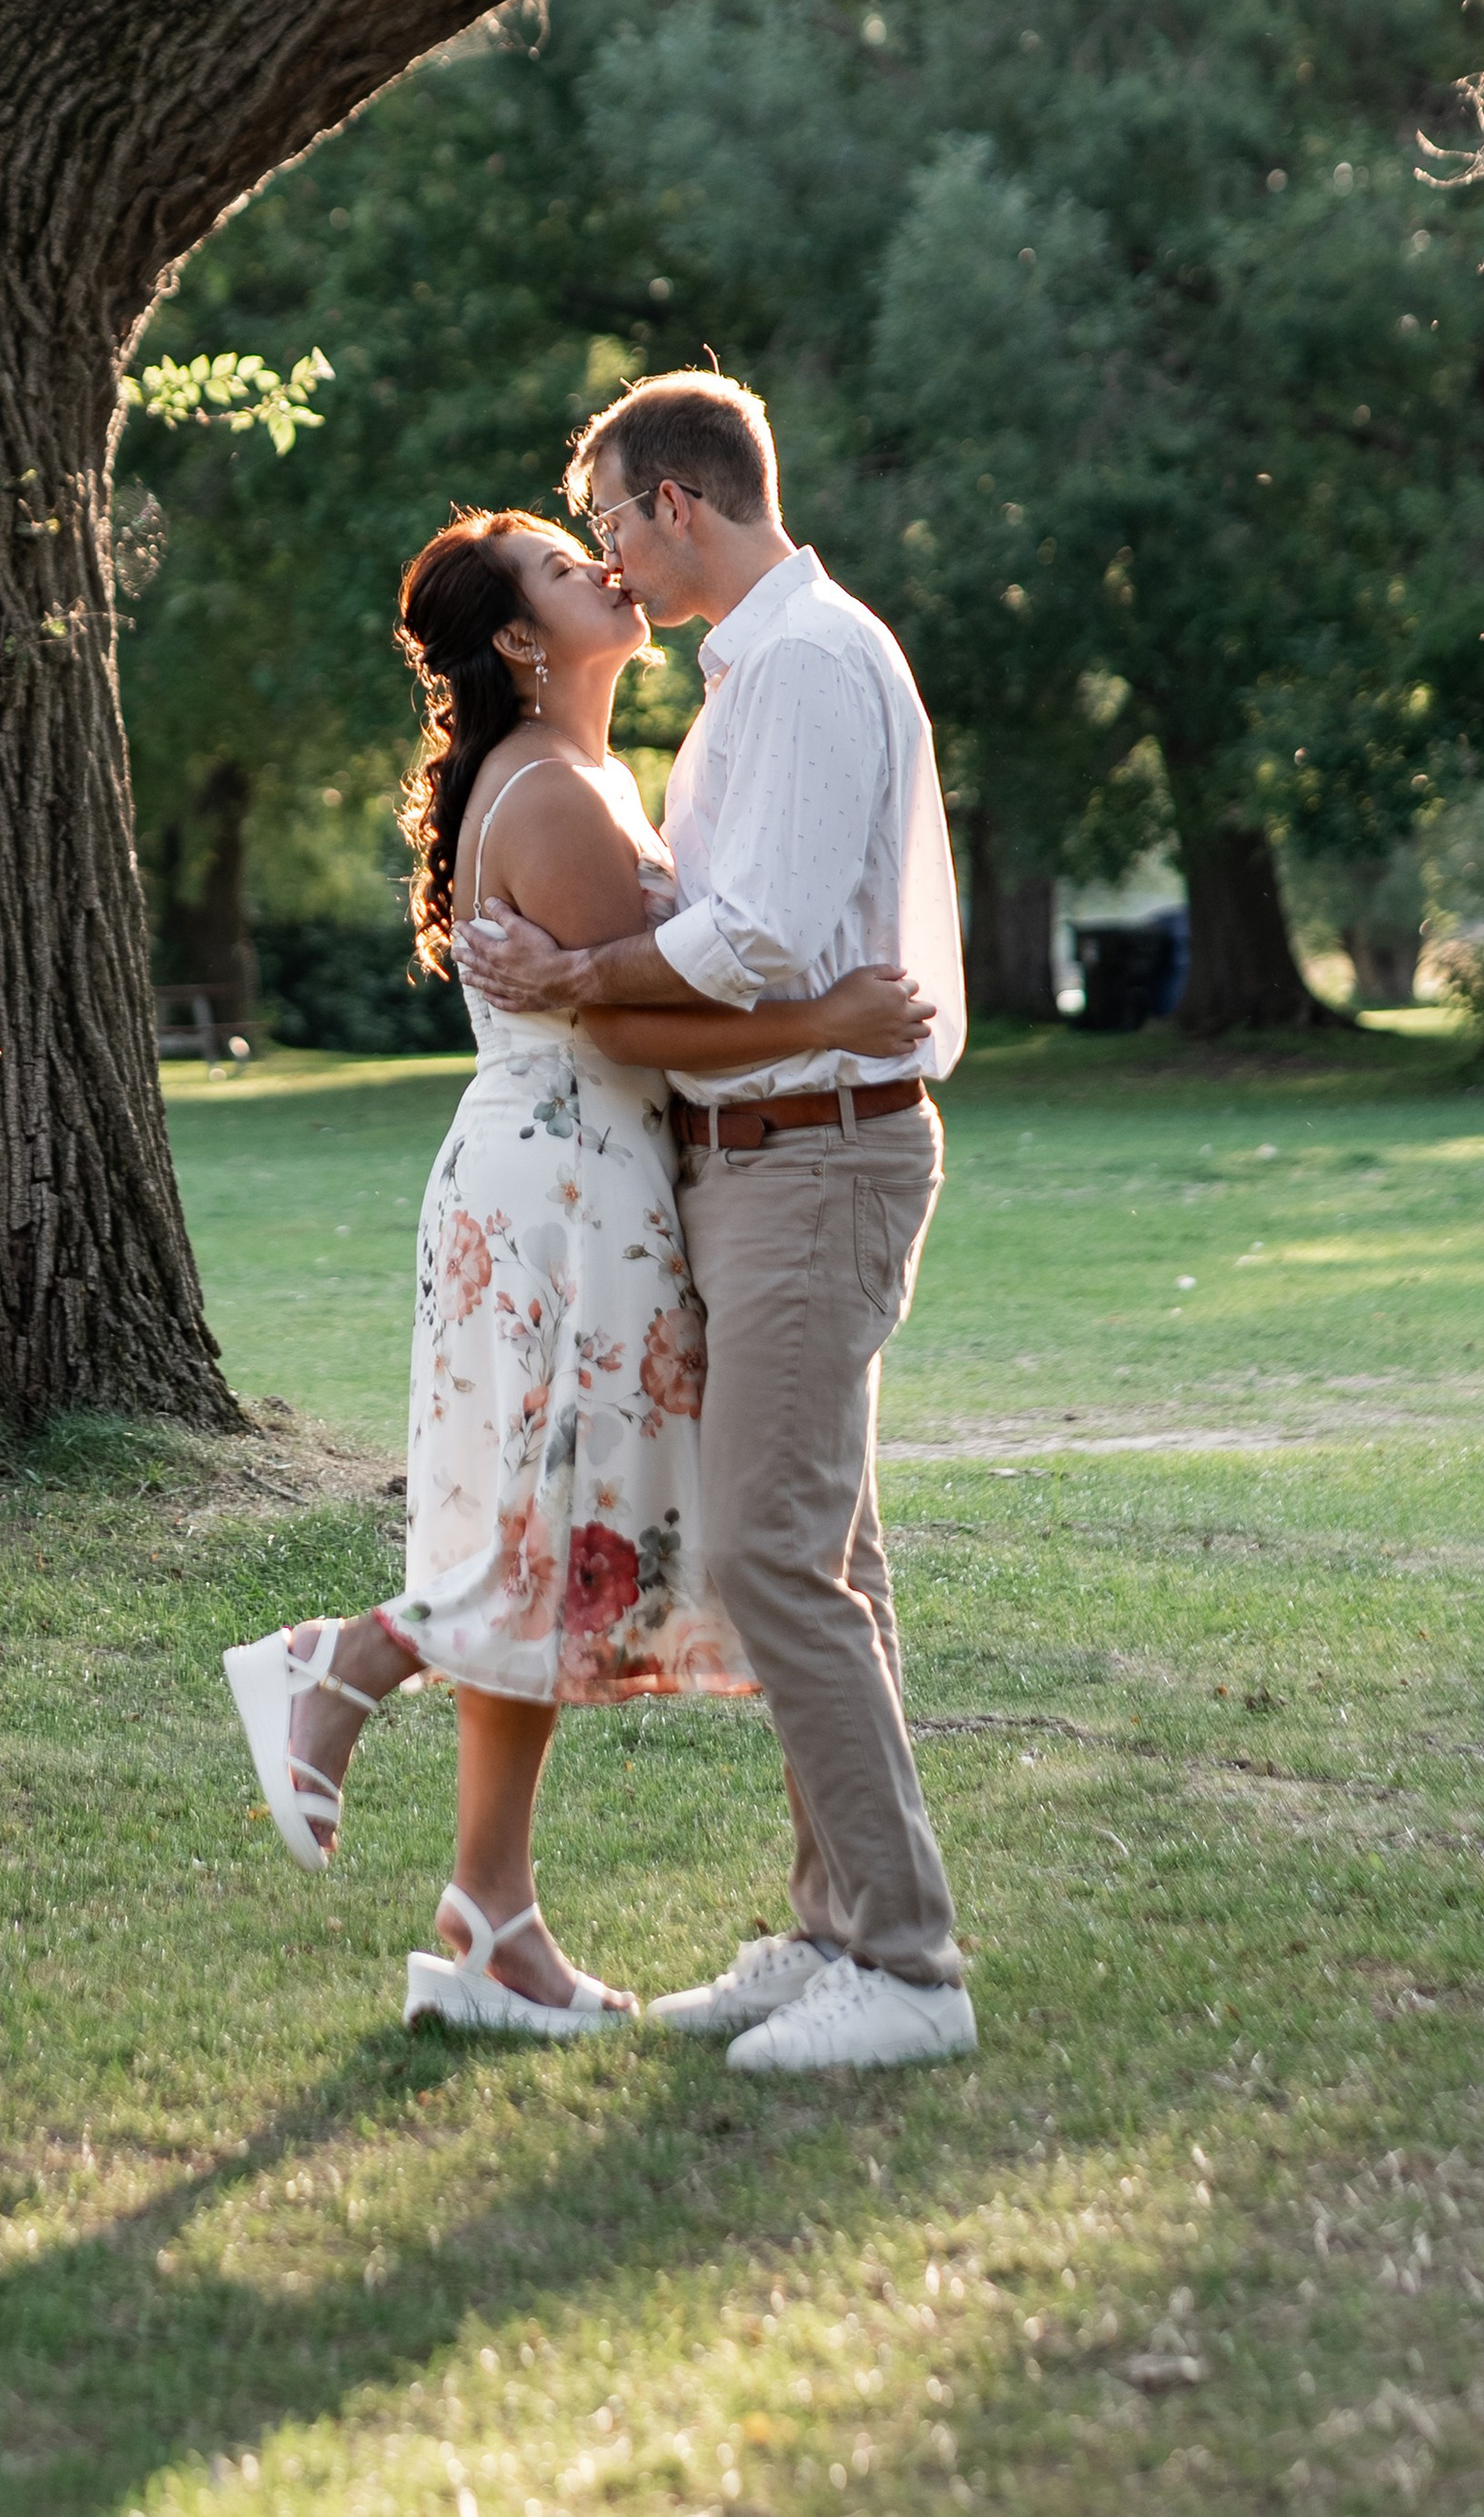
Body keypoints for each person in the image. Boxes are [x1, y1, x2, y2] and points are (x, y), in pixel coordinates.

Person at [222, 507, 933, 2039]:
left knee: (546, 1500)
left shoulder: (588, 776)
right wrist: (840, 1034)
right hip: (566, 1177)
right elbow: (623, 1025)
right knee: (565, 1509)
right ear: (522, 643)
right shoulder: (550, 790)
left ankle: (492, 1924)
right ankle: (345, 1662)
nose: (601, 568)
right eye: (563, 563)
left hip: (580, 1169)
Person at [462, 374, 977, 2078]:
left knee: (771, 1558)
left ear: (674, 505)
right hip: (762, 1152)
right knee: (832, 1556)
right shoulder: (756, 672)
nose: (607, 550)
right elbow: (752, 939)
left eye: (608, 516)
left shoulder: (812, 663)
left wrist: (575, 973)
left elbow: (751, 946)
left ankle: (906, 1967)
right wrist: (609, 979)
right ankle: (836, 1929)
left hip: (816, 1157)